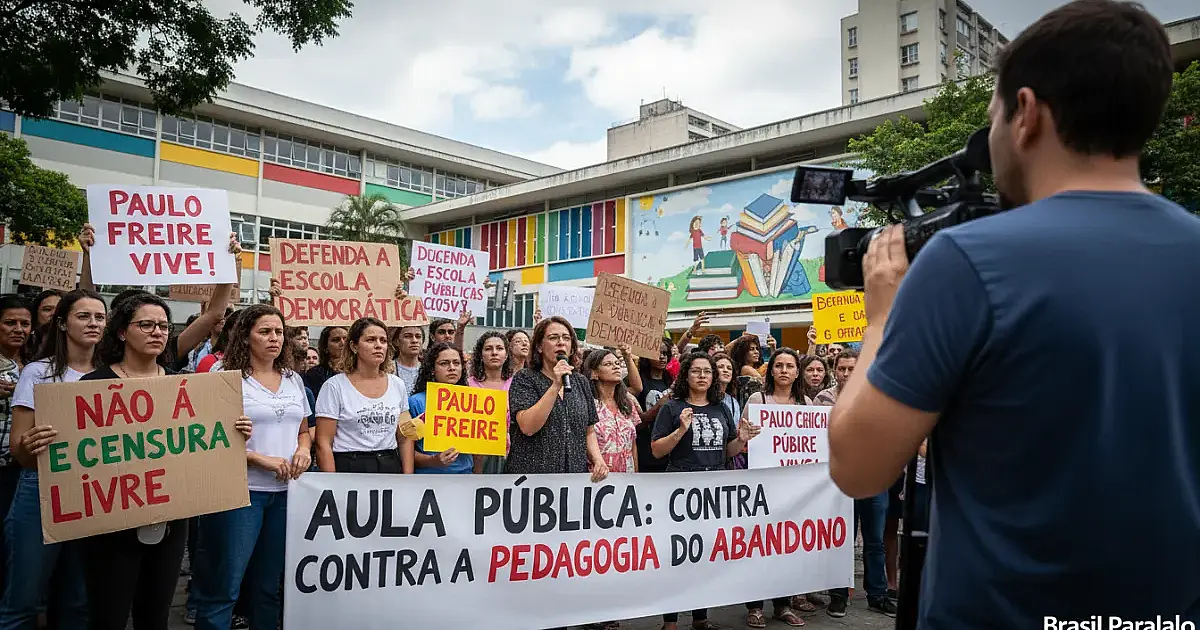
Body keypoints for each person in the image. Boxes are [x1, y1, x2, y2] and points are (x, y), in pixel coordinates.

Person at [828, 2, 1200, 627]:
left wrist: (880, 320)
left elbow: (858, 467)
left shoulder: (967, 262)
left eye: (991, 118)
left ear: (1026, 113)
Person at [75, 292, 251, 630]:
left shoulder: (184, 386)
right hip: (112, 524)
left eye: (163, 326)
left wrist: (235, 430)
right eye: (146, 325)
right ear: (122, 332)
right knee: (108, 616)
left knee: (155, 615)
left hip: (170, 522)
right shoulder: (91, 387)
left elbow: (204, 446)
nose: (157, 332)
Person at [192, 304, 310, 630]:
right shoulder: (224, 376)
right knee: (224, 586)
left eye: (279, 332)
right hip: (239, 494)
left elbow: (303, 431)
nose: (275, 338)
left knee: (268, 586)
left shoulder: (293, 379)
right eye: (265, 331)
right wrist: (259, 458)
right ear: (245, 336)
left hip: (284, 495)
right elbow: (206, 437)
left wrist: (303, 450)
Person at [1, 289, 104, 630]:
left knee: (78, 599)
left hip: (94, 494)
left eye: (100, 317)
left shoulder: (110, 374)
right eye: (83, 316)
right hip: (41, 489)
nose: (93, 323)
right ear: (62, 324)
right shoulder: (38, 372)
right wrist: (29, 445)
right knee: (24, 598)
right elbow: (18, 447)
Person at [652, 351, 761, 630]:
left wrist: (742, 440)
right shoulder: (672, 408)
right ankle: (670, 621)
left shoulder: (720, 408)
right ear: (685, 375)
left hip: (713, 490)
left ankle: (700, 617)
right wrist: (680, 430)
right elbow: (657, 450)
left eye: (707, 371)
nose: (702, 376)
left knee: (704, 556)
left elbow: (728, 451)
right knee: (677, 558)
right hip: (680, 488)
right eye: (696, 371)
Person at [506, 316, 608, 480]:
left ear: (572, 348)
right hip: (532, 478)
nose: (561, 342)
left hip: (572, 476)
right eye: (553, 338)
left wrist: (598, 459)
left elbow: (589, 431)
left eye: (566, 338)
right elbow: (527, 426)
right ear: (539, 346)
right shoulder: (525, 378)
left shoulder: (580, 381)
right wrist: (555, 385)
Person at [314, 318, 409, 474]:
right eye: (370, 340)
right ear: (354, 346)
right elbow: (323, 442)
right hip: (350, 465)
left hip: (389, 464)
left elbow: (404, 436)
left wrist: (408, 478)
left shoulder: (397, 384)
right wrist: (331, 482)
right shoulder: (334, 386)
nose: (378, 345)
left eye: (383, 340)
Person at [0, 294, 31, 601]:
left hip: (19, 468)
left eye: (25, 323)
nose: (18, 329)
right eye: (10, 322)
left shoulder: (36, 365)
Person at [402, 342, 473, 474]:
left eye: (456, 363)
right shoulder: (416, 402)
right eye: (444, 363)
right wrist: (434, 460)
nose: (452, 368)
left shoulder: (473, 403)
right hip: (428, 478)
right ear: (432, 369)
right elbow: (406, 451)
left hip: (465, 477)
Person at [468, 332, 513, 474]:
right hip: (476, 457)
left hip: (511, 456)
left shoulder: (517, 384)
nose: (494, 353)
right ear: (480, 355)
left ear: (506, 355)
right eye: (488, 349)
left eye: (499, 348)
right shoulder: (468, 385)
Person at [303, 326, 346, 397]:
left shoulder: (359, 371)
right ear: (325, 347)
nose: (343, 343)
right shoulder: (314, 374)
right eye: (336, 340)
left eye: (346, 339)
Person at [391, 325, 424, 393]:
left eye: (418, 337)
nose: (414, 341)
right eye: (408, 336)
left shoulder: (428, 369)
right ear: (397, 341)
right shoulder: (388, 368)